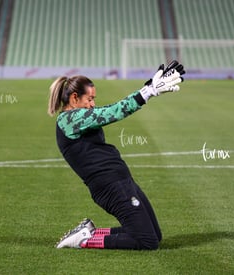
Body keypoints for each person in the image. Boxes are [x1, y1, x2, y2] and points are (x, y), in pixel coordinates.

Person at [48, 61, 185, 250]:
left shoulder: (79, 117)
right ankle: (85, 240)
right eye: (90, 99)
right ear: (74, 98)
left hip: (121, 181)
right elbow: (113, 112)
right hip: (110, 186)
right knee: (147, 242)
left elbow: (111, 109)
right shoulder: (69, 119)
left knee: (155, 234)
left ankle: (90, 232)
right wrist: (148, 92)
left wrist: (147, 87)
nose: (93, 104)